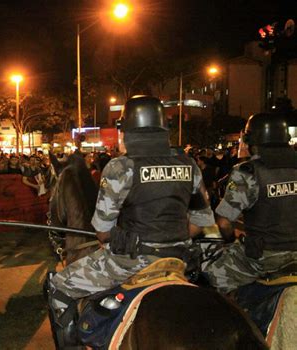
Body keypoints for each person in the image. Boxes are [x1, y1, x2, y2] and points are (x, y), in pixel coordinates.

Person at [46, 96, 215, 347]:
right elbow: (200, 223)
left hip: (131, 262)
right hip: (180, 260)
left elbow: (102, 232)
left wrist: (123, 237)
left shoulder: (120, 167)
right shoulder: (189, 164)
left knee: (58, 286)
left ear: (125, 132)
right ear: (164, 128)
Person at [204, 113, 297, 294]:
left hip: (263, 258)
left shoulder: (247, 172)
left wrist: (230, 242)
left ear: (250, 139)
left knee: (210, 272)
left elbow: (223, 223)